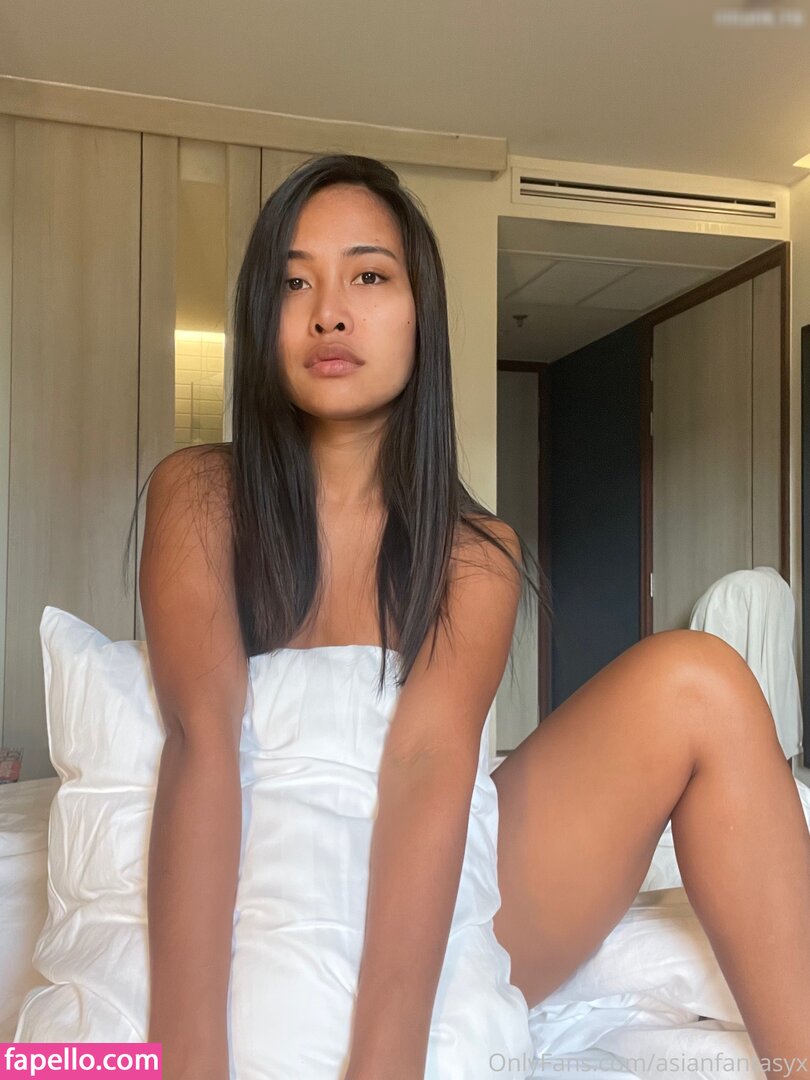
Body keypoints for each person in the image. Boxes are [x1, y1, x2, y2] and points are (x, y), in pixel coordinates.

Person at [135, 154, 810, 1080]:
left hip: (430, 887)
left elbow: (428, 771)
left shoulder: (475, 553)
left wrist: (385, 1064)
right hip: (258, 861)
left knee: (703, 681)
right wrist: (185, 1057)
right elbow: (200, 738)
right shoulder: (199, 494)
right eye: (295, 283)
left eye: (368, 276)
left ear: (422, 316)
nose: (329, 311)